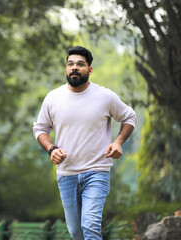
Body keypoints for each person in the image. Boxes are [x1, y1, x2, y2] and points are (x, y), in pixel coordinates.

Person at [33, 46, 137, 240]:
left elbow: (129, 117)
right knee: (76, 231)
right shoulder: (53, 98)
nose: (74, 68)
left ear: (89, 70)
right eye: (70, 64)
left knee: (90, 225)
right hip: (67, 174)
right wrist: (51, 148)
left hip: (96, 171)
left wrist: (118, 142)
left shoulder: (105, 96)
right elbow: (40, 129)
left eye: (80, 64)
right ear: (66, 68)